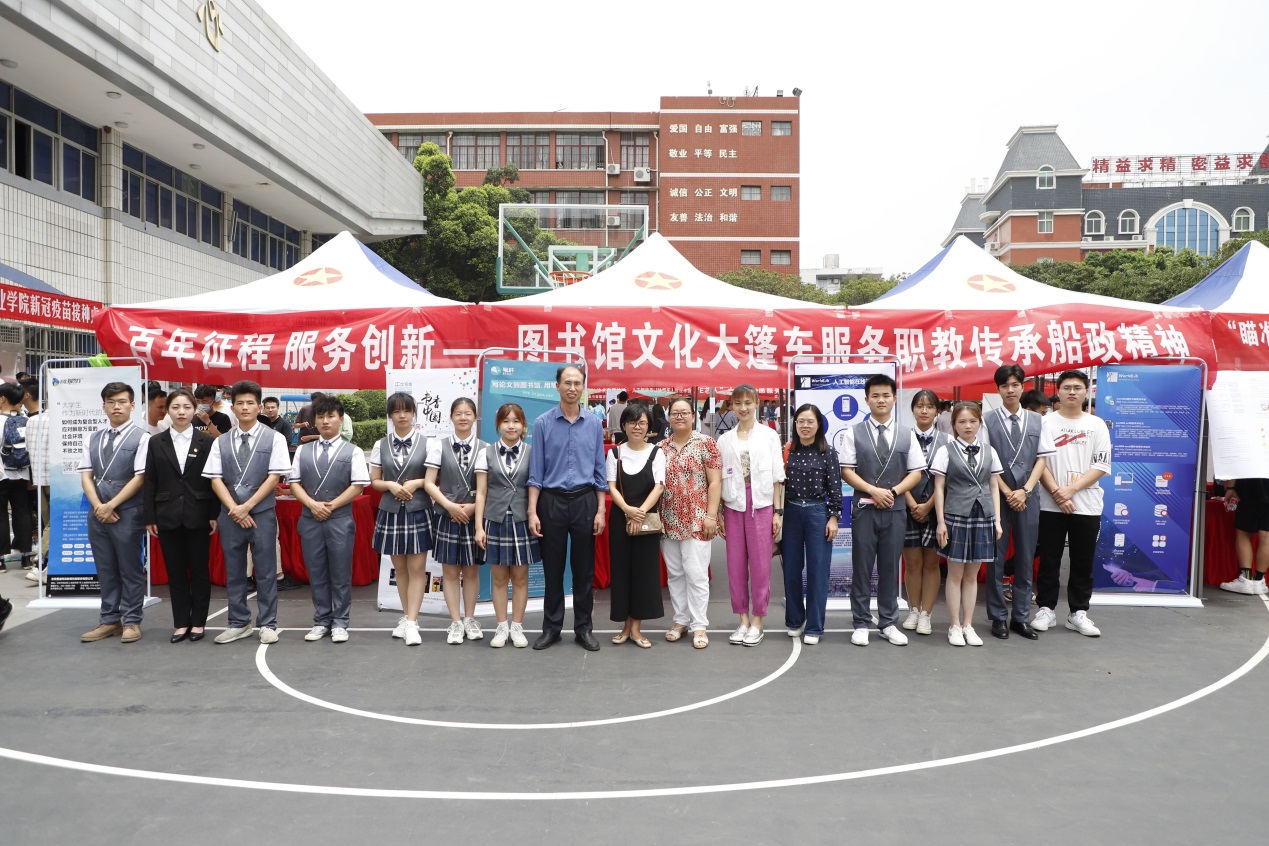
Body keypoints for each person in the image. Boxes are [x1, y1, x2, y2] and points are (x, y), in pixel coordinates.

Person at [840, 373, 925, 647]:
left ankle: (888, 622)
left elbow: (916, 472)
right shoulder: (853, 432)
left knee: (890, 568)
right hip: (864, 510)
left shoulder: (906, 434)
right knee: (862, 567)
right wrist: (872, 490)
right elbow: (846, 471)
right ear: (866, 400)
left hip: (895, 510)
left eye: (886, 395)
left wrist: (893, 492)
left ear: (894, 399)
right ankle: (861, 622)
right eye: (875, 395)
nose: (881, 400)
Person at [204, 380, 291, 645]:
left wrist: (247, 506)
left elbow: (274, 477)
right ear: (232, 407)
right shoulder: (221, 441)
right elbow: (215, 479)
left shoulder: (275, 438)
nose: (244, 407)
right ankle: (238, 622)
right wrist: (235, 509)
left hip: (261, 513)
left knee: (266, 570)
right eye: (239, 403)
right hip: (230, 514)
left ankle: (268, 623)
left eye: (250, 403)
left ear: (259, 407)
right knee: (234, 570)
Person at [527, 365, 608, 651]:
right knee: (553, 568)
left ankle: (584, 628)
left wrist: (600, 510)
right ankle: (551, 628)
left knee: (583, 570)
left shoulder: (594, 424)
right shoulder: (543, 423)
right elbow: (536, 472)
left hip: (585, 500)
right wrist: (533, 511)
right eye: (567, 383)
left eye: (577, 383)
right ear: (557, 386)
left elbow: (600, 470)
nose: (572, 388)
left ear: (583, 387)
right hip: (552, 501)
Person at [979, 365, 1055, 640]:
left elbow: (1042, 459)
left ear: (1023, 387)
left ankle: (1021, 617)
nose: (1010, 390)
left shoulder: (1038, 421)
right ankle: (998, 616)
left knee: (1025, 557)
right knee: (996, 558)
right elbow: (986, 460)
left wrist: (1025, 490)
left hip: (1028, 496)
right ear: (998, 389)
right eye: (1004, 386)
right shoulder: (987, 420)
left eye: (1014, 385)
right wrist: (1008, 492)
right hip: (997, 497)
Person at [1036, 370, 1111, 637]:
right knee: (1049, 559)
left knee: (1082, 560)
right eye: (1066, 387)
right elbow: (1039, 462)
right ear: (1057, 391)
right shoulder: (1045, 422)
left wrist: (1070, 491)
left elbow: (1101, 465)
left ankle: (1078, 612)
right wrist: (1058, 493)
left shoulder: (1097, 424)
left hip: (1086, 504)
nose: (1072, 392)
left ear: (1086, 392)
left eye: (1077, 388)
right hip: (1049, 503)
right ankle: (1045, 609)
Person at [289, 395, 368, 645]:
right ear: (314, 420)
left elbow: (358, 486)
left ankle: (341, 622)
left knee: (341, 572)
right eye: (321, 416)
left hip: (340, 519)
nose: (325, 421)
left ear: (340, 420)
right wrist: (312, 504)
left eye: (331, 416)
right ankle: (321, 620)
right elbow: (294, 484)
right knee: (316, 571)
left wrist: (331, 506)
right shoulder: (303, 450)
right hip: (310, 519)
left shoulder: (353, 451)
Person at [142, 388, 218, 643]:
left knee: (199, 570)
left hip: (199, 514)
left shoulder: (206, 441)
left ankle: (198, 622)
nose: (181, 412)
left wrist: (214, 513)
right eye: (175, 407)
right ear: (168, 411)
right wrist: (149, 516)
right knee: (175, 572)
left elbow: (214, 480)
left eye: (187, 407)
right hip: (167, 514)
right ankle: (181, 623)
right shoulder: (155, 442)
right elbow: (150, 481)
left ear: (195, 410)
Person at [78, 381, 150, 643]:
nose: (116, 406)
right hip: (98, 514)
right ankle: (109, 620)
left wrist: (111, 505)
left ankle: (132, 621)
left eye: (121, 402)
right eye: (111, 402)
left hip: (128, 512)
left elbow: (140, 478)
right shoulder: (92, 438)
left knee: (130, 568)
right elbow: (86, 475)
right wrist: (99, 506)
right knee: (105, 568)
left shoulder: (143, 438)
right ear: (104, 406)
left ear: (132, 405)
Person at [717, 383, 784, 646]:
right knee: (735, 565)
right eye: (737, 403)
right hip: (733, 503)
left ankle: (758, 620)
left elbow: (777, 476)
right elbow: (719, 478)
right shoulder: (724, 440)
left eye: (747, 402)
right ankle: (742, 619)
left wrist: (777, 512)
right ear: (731, 406)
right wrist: (720, 512)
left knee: (760, 565)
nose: (743, 408)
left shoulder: (769, 435)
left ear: (756, 403)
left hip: (762, 503)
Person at [932, 402, 1004, 647]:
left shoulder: (990, 451)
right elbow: (939, 487)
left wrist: (997, 520)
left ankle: (968, 625)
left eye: (973, 421)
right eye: (962, 421)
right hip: (956, 515)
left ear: (980, 423)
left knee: (972, 576)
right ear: (953, 425)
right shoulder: (946, 451)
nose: (968, 426)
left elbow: (993, 486)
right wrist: (940, 521)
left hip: (983, 516)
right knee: (954, 575)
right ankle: (954, 625)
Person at [423, 397, 488, 645]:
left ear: (475, 417)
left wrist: (473, 508)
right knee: (449, 572)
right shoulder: (438, 447)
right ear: (451, 417)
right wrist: (449, 505)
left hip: (474, 516)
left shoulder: (485, 448)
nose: (463, 417)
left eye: (468, 413)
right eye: (458, 413)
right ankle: (455, 622)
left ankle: (469, 618)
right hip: (446, 515)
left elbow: (488, 487)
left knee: (471, 571)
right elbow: (429, 483)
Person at [370, 393, 432, 646]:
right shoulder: (380, 444)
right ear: (390, 415)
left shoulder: (428, 444)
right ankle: (408, 618)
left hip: (418, 510)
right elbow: (374, 481)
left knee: (417, 569)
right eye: (397, 411)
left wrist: (418, 482)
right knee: (401, 569)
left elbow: (436, 478)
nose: (402, 415)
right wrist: (389, 485)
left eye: (407, 410)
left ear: (414, 413)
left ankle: (412, 622)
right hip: (391, 511)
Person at [474, 402, 537, 648]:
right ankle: (501, 627)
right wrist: (479, 527)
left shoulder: (532, 452)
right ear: (498, 424)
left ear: (523, 425)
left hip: (521, 521)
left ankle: (517, 627)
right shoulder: (485, 453)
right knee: (499, 579)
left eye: (516, 421)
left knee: (520, 578)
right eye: (506, 421)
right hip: (495, 520)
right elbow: (481, 493)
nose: (511, 426)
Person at [660, 397, 721, 649]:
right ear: (669, 417)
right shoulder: (661, 447)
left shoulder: (706, 443)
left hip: (697, 519)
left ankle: (699, 626)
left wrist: (711, 516)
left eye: (684, 412)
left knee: (696, 575)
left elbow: (715, 482)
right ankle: (680, 621)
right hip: (668, 520)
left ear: (693, 416)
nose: (680, 417)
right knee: (675, 574)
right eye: (675, 413)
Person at [606, 401, 666, 647]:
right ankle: (625, 627)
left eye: (642, 423)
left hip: (647, 520)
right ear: (624, 425)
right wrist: (627, 510)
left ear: (649, 426)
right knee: (621, 573)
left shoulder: (656, 452)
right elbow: (611, 486)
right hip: (620, 518)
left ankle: (637, 629)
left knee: (643, 574)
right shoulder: (615, 453)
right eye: (632, 422)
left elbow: (659, 486)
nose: (637, 427)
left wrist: (639, 513)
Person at [782, 403, 842, 646]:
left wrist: (834, 517)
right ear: (795, 424)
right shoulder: (788, 451)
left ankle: (815, 626)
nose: (805, 426)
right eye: (800, 421)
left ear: (818, 425)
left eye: (810, 421)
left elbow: (835, 488)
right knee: (791, 570)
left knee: (818, 571)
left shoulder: (828, 453)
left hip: (818, 513)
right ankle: (795, 620)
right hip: (791, 512)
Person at [902, 389, 949, 636]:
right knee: (912, 563)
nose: (924, 411)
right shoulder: (903, 437)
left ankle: (926, 614)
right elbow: (898, 474)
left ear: (936, 411)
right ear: (912, 410)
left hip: (935, 510)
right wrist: (912, 505)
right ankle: (913, 609)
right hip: (907, 507)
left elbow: (949, 479)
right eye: (919, 406)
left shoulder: (947, 440)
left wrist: (928, 506)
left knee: (932, 563)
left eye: (929, 406)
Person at [0, 383, 33, 573]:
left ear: (3, 398)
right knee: (22, 512)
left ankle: (1, 560)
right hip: (22, 473)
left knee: (1, 515)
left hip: (2, 473)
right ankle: (26, 557)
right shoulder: (26, 420)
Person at [1220, 478, 1269, 594]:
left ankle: (1246, 579)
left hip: (1252, 484)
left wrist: (1230, 487)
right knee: (1266, 534)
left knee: (1243, 532)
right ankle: (1259, 580)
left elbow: (1236, 467)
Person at [21, 377, 49, 581]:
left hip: (39, 477)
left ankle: (42, 564)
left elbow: (28, 451)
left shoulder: (31, 421)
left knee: (48, 521)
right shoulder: (51, 419)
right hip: (55, 478)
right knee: (52, 523)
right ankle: (42, 564)